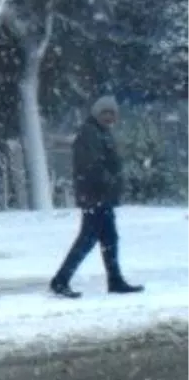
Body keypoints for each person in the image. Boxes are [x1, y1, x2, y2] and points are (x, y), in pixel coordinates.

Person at [50, 95, 143, 298]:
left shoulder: (102, 133)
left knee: (108, 238)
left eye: (112, 113)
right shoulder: (90, 133)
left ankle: (114, 279)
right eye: (105, 112)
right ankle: (61, 280)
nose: (109, 117)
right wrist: (107, 180)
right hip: (95, 196)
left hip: (101, 196)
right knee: (88, 239)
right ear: (97, 113)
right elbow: (91, 165)